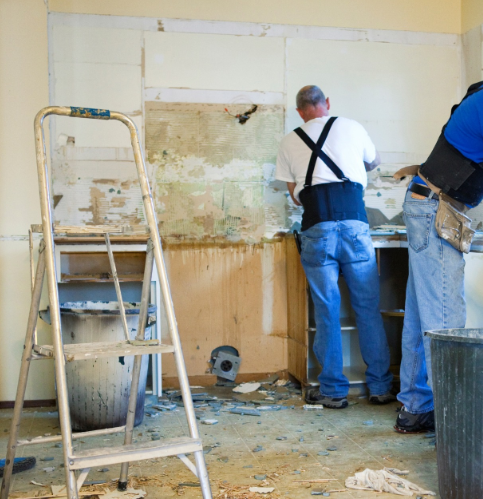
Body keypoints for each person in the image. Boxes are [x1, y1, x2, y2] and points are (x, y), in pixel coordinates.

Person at [276, 85, 394, 409]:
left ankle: (332, 392)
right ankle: (381, 387)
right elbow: (375, 162)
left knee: (326, 310)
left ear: (300, 111)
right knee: (368, 309)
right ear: (326, 104)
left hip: (317, 228)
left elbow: (294, 195)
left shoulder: (288, 142)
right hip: (356, 225)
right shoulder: (352, 126)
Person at [393, 81, 483, 433]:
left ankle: (416, 409)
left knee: (423, 319)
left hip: (427, 207)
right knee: (445, 322)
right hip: (436, 211)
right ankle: (457, 425)